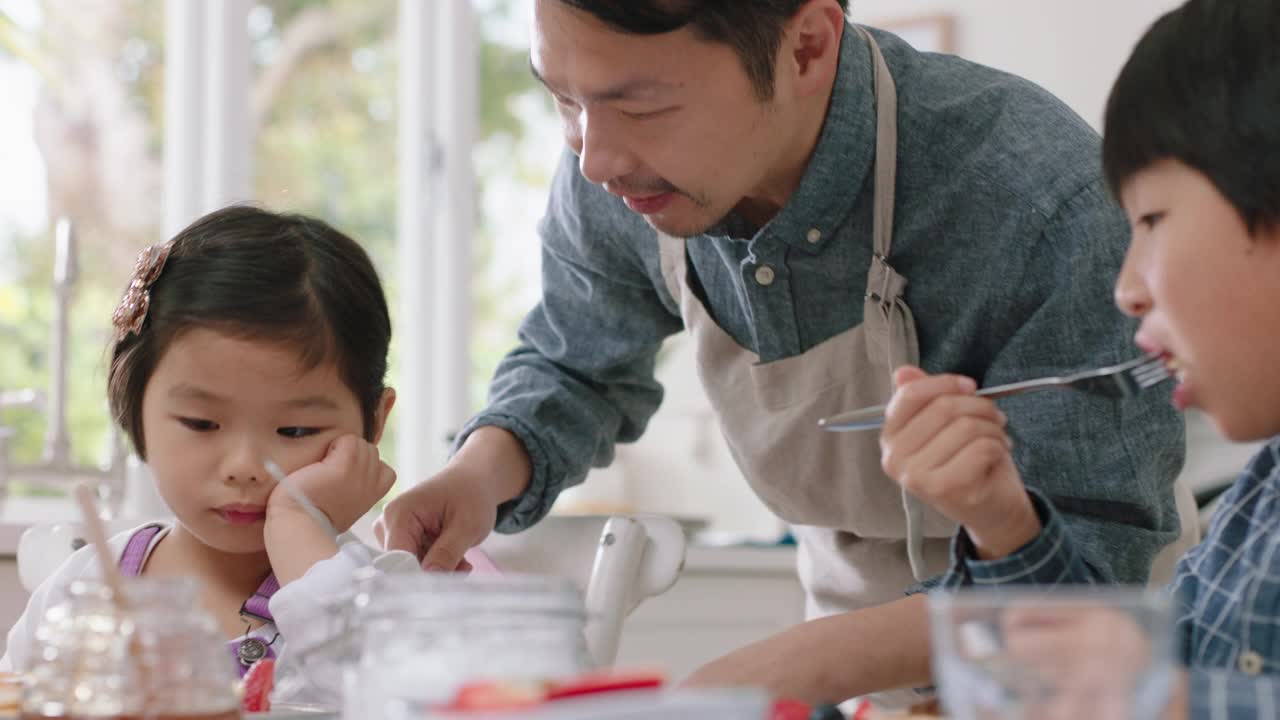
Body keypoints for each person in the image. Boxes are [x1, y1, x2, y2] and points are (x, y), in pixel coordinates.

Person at [378, 0, 1187, 704]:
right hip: (844, 667)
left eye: (644, 105)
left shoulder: (1042, 199)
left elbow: (1089, 573)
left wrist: (779, 671)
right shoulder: (621, 169)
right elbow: (574, 360)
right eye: (561, 98)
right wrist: (477, 474)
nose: (595, 158)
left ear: (806, 46)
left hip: (1080, 675)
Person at [878, 0, 1280, 717]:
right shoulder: (1262, 498)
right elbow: (1122, 663)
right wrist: (1003, 522)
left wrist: (1160, 702)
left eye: (1152, 220)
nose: (1127, 289)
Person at [2, 206, 403, 706]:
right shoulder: (83, 589)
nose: (244, 466)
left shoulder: (378, 594)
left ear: (374, 422)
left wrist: (299, 528)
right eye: (201, 423)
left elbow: (384, 695)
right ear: (133, 403)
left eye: (295, 429)